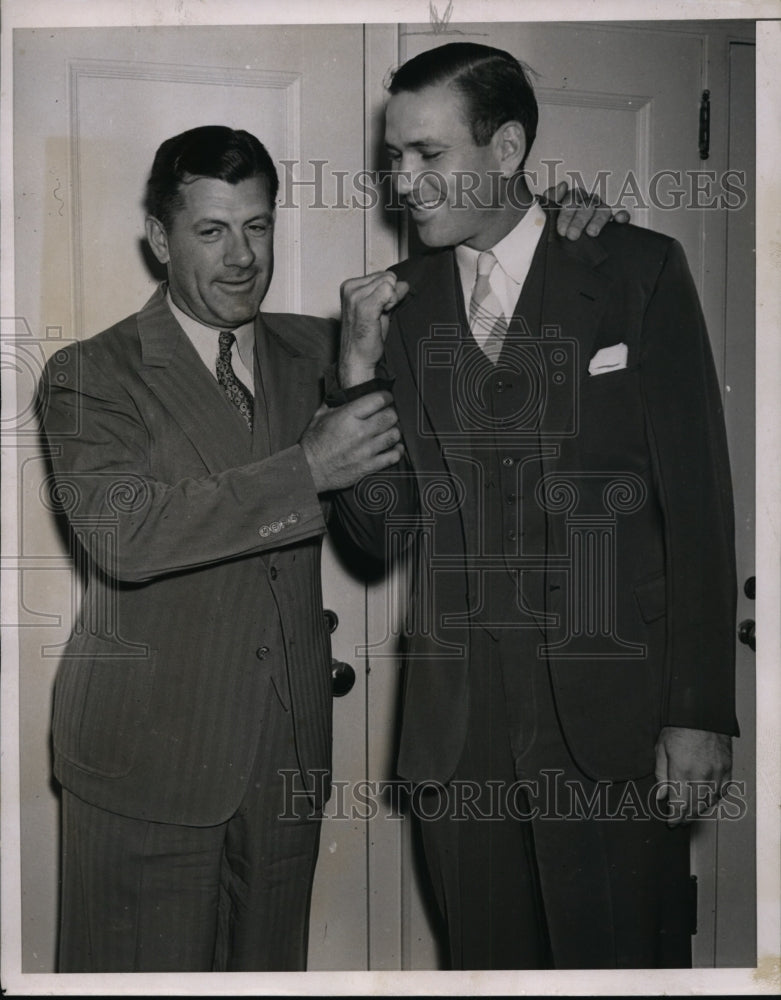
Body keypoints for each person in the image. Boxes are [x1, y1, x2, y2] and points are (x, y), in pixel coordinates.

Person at [39, 123, 605, 972]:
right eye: (211, 230)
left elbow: (387, 526)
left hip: (284, 769)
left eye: (258, 226)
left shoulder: (323, 349)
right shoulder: (90, 373)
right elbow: (128, 535)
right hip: (144, 767)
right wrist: (306, 467)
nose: (241, 257)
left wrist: (551, 232)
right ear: (159, 239)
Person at [333, 43, 738, 970]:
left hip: (616, 726)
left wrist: (700, 710)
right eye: (396, 157)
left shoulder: (635, 270)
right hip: (460, 737)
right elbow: (378, 535)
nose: (405, 183)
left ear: (506, 147)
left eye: (427, 156)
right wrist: (354, 375)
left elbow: (700, 510)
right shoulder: (397, 310)